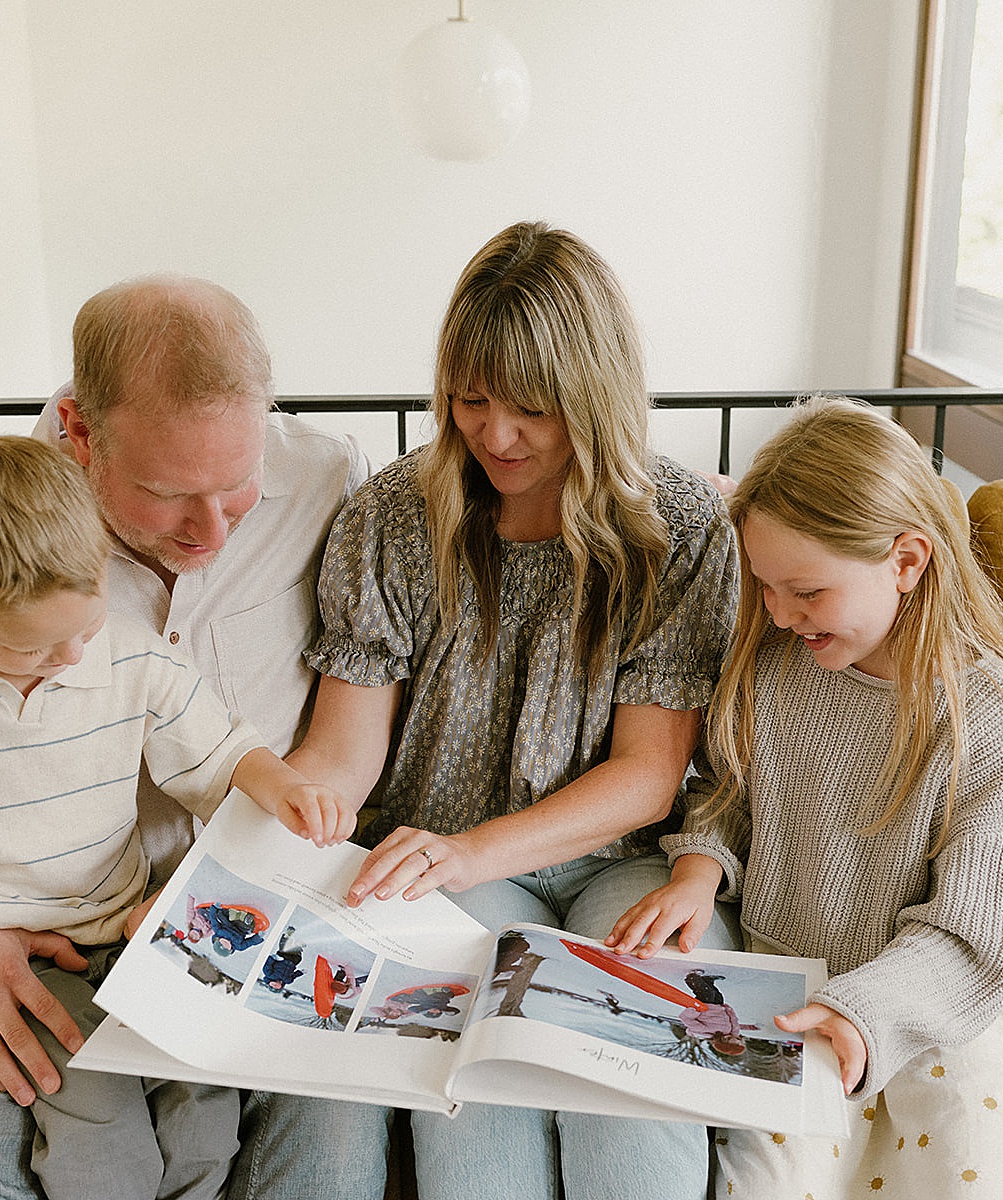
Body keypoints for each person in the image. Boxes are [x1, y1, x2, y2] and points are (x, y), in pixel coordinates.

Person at [0, 275, 371, 1200]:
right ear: (81, 433)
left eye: (238, 486)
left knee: (305, 1162)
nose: (210, 531)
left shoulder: (327, 479)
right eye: (168, 494)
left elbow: (301, 723)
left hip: (230, 926)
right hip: (16, 938)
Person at [242, 220, 742, 1200]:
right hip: (443, 871)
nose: (495, 436)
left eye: (531, 410)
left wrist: (474, 850)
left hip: (617, 865)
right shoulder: (393, 514)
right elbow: (343, 747)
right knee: (474, 1105)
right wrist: (301, 818)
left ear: (593, 398)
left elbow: (648, 774)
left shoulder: (677, 529)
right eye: (470, 401)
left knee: (631, 1107)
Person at [605, 395, 1003, 1197]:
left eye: (806, 591)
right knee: (763, 1178)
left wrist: (863, 1013)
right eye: (763, 587)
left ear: (907, 561)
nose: (779, 613)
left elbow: (974, 935)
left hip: (937, 999)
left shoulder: (992, 718)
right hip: (789, 986)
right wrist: (698, 870)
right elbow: (730, 793)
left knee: (969, 1151)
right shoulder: (777, 666)